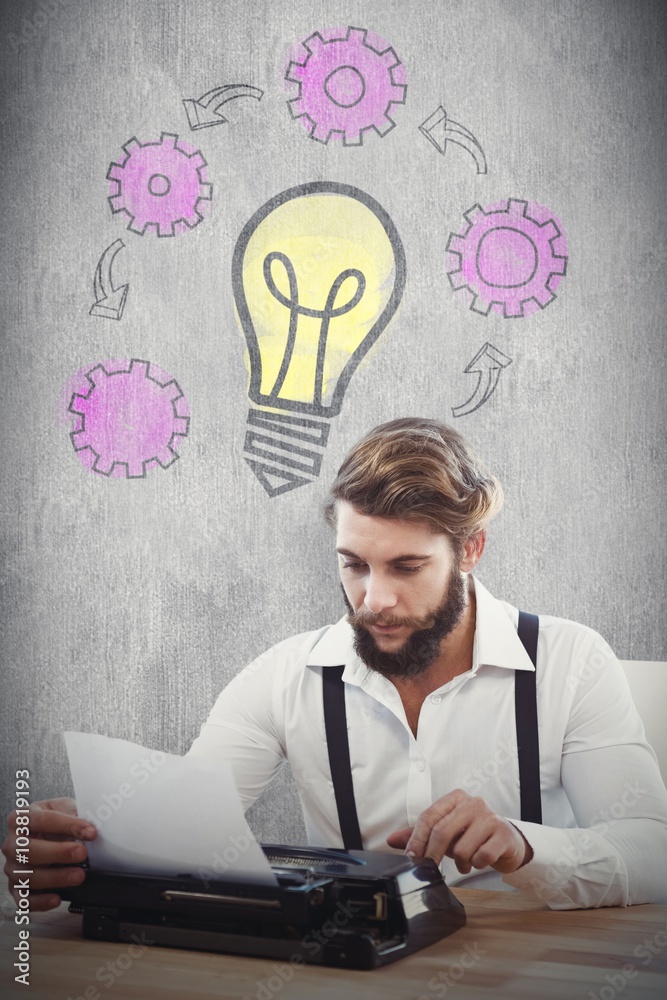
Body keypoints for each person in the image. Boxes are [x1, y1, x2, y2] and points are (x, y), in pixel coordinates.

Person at [4, 417, 667, 911]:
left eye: (406, 567)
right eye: (353, 565)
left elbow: (653, 853)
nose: (373, 599)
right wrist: (82, 846)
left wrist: (522, 847)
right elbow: (178, 832)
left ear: (470, 551)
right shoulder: (281, 676)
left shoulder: (570, 660)